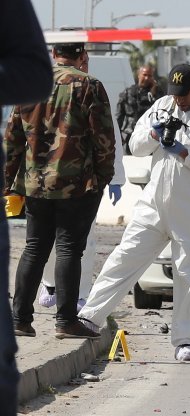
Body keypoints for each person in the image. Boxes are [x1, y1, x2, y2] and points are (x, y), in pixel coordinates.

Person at [78, 64, 190, 362]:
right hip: (154, 204)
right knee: (124, 257)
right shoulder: (163, 105)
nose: (179, 101)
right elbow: (135, 146)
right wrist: (154, 133)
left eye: (184, 94)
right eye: (174, 94)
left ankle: (185, 342)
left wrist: (185, 152)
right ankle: (90, 317)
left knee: (188, 275)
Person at [6, 39, 116, 342]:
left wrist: (7, 181)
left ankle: (20, 319)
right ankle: (66, 321)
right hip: (76, 184)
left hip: (35, 184)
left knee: (34, 248)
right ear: (82, 55)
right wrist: (104, 176)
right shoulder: (89, 86)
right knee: (69, 249)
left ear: (54, 55)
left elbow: (12, 137)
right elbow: (103, 137)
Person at [0, 0, 53, 416]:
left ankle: (27, 315)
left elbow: (32, 76)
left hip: (50, 185)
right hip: (54, 185)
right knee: (50, 250)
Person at [38, 64, 127, 311]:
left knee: (84, 242)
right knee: (48, 240)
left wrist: (115, 177)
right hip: (49, 180)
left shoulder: (94, 91)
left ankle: (79, 293)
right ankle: (50, 284)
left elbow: (112, 137)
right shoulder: (45, 91)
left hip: (84, 183)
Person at [117, 65, 163, 154]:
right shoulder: (127, 93)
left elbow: (162, 112)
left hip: (151, 137)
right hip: (132, 136)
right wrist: (118, 136)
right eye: (144, 75)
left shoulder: (158, 93)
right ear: (139, 75)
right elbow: (119, 116)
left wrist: (153, 93)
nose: (147, 78)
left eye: (150, 76)